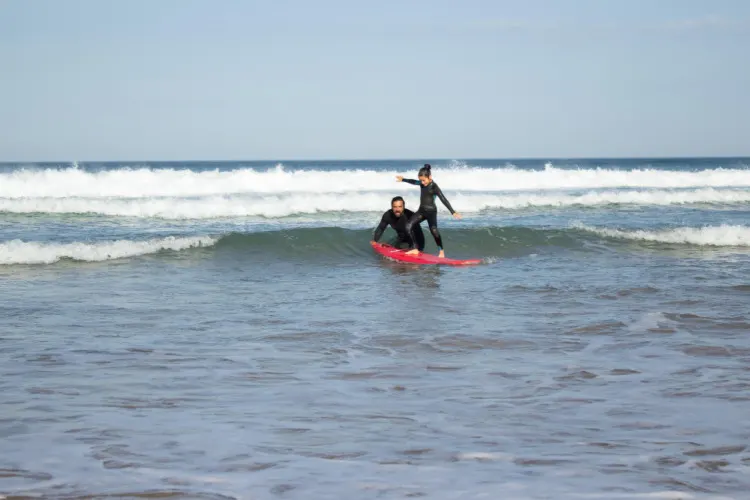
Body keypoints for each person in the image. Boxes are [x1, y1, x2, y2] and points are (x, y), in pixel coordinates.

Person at [396, 163, 461, 258]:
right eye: (420, 180)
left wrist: (453, 212)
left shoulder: (434, 187)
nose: (422, 182)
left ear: (430, 177)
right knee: (408, 225)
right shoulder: (421, 183)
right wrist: (403, 179)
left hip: (431, 212)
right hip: (421, 211)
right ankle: (415, 248)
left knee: (434, 231)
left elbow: (443, 199)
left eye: (424, 180)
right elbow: (413, 181)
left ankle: (441, 251)